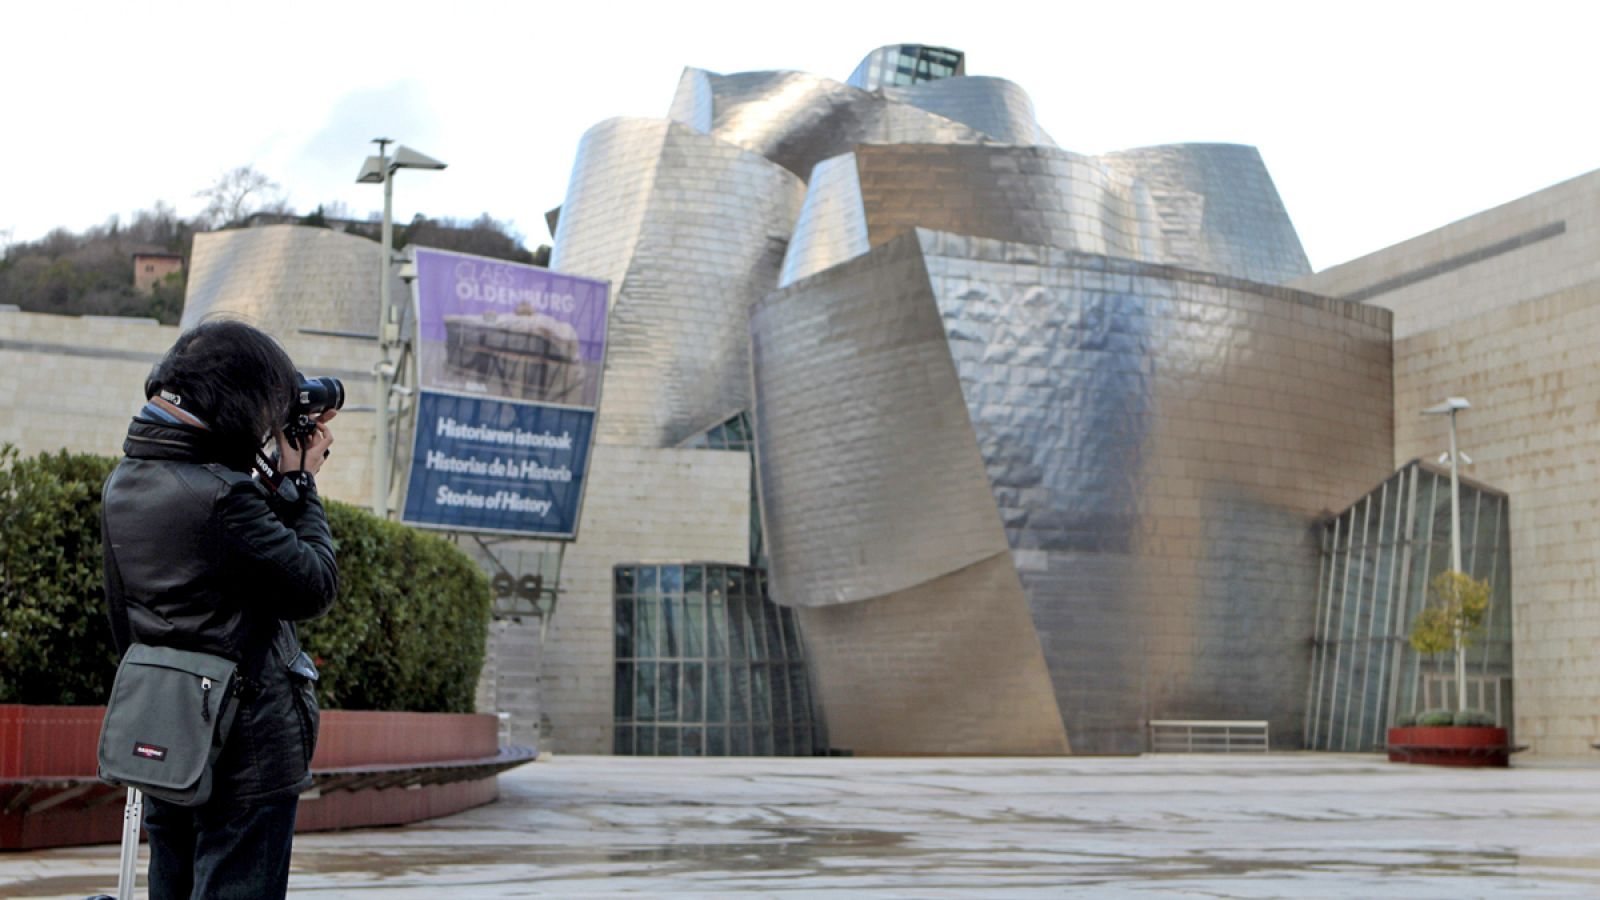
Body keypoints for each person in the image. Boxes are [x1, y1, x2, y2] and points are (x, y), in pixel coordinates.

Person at [101, 320, 339, 900]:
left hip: (171, 735)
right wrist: (302, 481)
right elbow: (313, 584)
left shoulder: (125, 482)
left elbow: (121, 621)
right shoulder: (224, 496)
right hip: (248, 750)